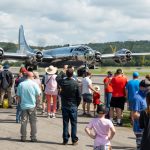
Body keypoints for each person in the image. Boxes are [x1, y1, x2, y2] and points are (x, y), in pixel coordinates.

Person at [56, 68, 81, 145]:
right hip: (73, 105)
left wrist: (62, 71)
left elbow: (57, 78)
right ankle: (74, 140)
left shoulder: (63, 82)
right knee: (74, 123)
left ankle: (65, 139)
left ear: (66, 74)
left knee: (65, 123)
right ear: (73, 74)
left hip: (65, 105)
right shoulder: (75, 83)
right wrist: (77, 104)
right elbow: (79, 96)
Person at [16, 72, 41, 142]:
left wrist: (20, 103)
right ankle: (33, 137)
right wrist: (37, 104)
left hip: (23, 105)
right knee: (33, 122)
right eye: (33, 76)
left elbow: (18, 96)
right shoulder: (34, 84)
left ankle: (23, 137)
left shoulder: (21, 84)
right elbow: (39, 95)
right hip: (32, 106)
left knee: (23, 122)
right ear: (30, 76)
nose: (34, 77)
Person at [131, 80, 147, 150]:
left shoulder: (146, 96)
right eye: (146, 88)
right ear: (141, 87)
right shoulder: (137, 98)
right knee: (140, 147)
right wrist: (147, 117)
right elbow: (135, 114)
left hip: (146, 128)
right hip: (140, 128)